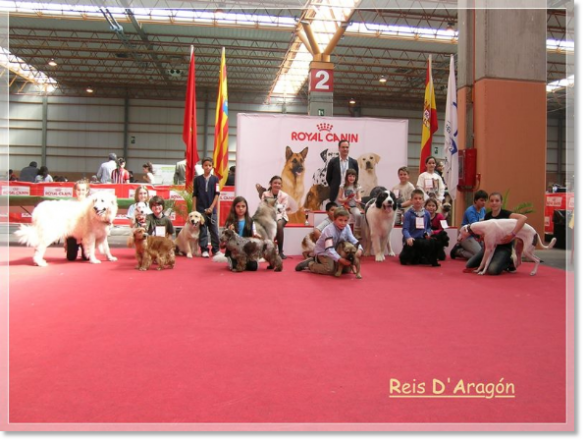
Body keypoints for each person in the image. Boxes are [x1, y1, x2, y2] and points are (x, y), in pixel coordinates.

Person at [465, 192, 528, 275]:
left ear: (501, 202)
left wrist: (513, 234)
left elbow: (523, 218)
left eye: (497, 201)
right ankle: (491, 260)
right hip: (489, 247)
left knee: (492, 270)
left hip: (503, 248)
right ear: (489, 203)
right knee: (469, 265)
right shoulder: (487, 216)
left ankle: (509, 262)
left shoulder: (506, 214)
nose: (494, 203)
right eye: (491, 201)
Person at [295, 207, 363, 275]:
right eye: (340, 220)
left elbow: (353, 239)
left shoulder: (347, 227)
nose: (343, 223)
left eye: (345, 220)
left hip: (335, 251)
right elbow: (329, 249)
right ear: (334, 219)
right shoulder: (329, 230)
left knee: (346, 270)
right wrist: (340, 259)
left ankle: (318, 260)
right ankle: (311, 264)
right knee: (330, 269)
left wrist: (360, 248)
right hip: (324, 252)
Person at [223, 196, 261, 271]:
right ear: (234, 208)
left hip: (247, 250)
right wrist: (229, 232)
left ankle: (246, 261)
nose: (241, 208)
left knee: (253, 267)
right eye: (238, 206)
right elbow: (223, 244)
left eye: (243, 206)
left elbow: (254, 234)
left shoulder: (251, 221)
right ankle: (232, 260)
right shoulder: (229, 222)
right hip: (234, 251)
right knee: (234, 267)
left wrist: (256, 236)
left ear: (246, 208)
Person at [193, 157, 220, 258]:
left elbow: (217, 194)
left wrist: (212, 207)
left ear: (212, 167)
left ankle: (216, 249)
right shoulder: (197, 180)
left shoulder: (215, 179)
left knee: (214, 230)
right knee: (203, 231)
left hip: (212, 210)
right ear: (202, 166)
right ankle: (204, 249)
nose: (208, 167)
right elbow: (195, 194)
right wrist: (194, 209)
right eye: (206, 165)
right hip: (200, 210)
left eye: (210, 165)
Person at [451, 190, 488, 260]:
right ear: (475, 200)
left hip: (478, 236)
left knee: (486, 253)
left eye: (485, 200)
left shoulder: (483, 210)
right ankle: (458, 251)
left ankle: (465, 249)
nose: (484, 202)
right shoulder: (470, 211)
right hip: (467, 236)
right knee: (480, 255)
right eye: (482, 200)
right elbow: (475, 226)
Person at [261, 175, 291, 259]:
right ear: (271, 184)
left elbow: (282, 209)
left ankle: (280, 251)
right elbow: (263, 207)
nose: (277, 185)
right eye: (275, 183)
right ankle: (264, 251)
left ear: (281, 185)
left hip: (281, 216)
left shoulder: (284, 195)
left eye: (279, 183)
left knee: (278, 224)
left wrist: (271, 206)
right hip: (267, 216)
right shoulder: (265, 194)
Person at [326, 139, 359, 204]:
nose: (345, 149)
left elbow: (356, 178)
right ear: (339, 148)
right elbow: (328, 178)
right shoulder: (333, 162)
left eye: (347, 147)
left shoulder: (354, 162)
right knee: (336, 213)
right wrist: (335, 186)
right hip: (336, 194)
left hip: (349, 194)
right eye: (343, 147)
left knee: (349, 213)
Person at [65, 179, 91, 261]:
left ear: (87, 191)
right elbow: (66, 223)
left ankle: (86, 249)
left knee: (86, 258)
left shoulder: (90, 203)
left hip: (86, 235)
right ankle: (73, 247)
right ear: (75, 190)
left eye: (83, 190)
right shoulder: (69, 203)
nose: (81, 192)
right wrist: (65, 241)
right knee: (71, 257)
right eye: (78, 190)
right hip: (73, 234)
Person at [337, 168, 363, 239]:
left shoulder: (357, 186)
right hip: (345, 206)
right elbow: (339, 199)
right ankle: (343, 233)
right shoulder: (343, 186)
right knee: (343, 216)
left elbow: (359, 198)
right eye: (350, 176)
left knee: (358, 215)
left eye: (353, 176)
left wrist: (357, 200)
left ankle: (357, 233)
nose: (352, 178)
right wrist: (346, 199)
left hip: (353, 206)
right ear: (347, 177)